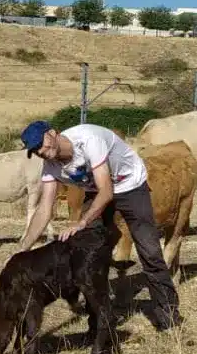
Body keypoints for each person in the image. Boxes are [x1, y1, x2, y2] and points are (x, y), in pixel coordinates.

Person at [14, 119, 182, 331]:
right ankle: (98, 323)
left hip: (130, 185)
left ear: (53, 133)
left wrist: (82, 222)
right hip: (97, 191)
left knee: (149, 250)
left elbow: (107, 192)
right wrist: (22, 249)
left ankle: (167, 313)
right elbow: (44, 209)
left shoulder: (88, 140)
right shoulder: (50, 167)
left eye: (42, 144)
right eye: (35, 150)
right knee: (86, 252)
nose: (41, 151)